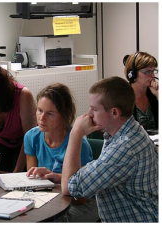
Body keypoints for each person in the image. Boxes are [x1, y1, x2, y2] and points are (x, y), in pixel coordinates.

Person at [61, 76, 158, 222]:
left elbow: (70, 188)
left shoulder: (125, 148)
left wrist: (75, 134)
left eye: (94, 109)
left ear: (114, 112)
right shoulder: (128, 131)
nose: (89, 114)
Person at [24, 83, 99, 222]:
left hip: (82, 203)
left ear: (64, 115)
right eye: (39, 110)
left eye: (50, 113)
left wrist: (55, 179)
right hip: (49, 199)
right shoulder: (31, 137)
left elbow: (81, 198)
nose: (42, 118)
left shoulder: (79, 143)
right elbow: (32, 180)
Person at [123, 51, 158, 130]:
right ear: (132, 74)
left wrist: (158, 95)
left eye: (153, 71)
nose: (152, 76)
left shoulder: (154, 94)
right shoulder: (122, 97)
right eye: (147, 72)